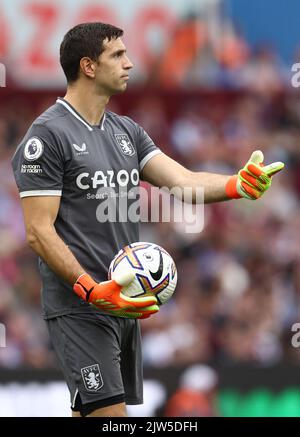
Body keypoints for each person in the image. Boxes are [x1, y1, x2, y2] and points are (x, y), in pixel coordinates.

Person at [11, 22, 284, 417]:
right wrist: (90, 289)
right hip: (82, 306)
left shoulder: (126, 131)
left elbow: (183, 181)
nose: (130, 63)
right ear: (88, 66)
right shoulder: (47, 136)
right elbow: (38, 232)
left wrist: (236, 185)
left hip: (125, 302)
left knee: (91, 414)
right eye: (118, 55)